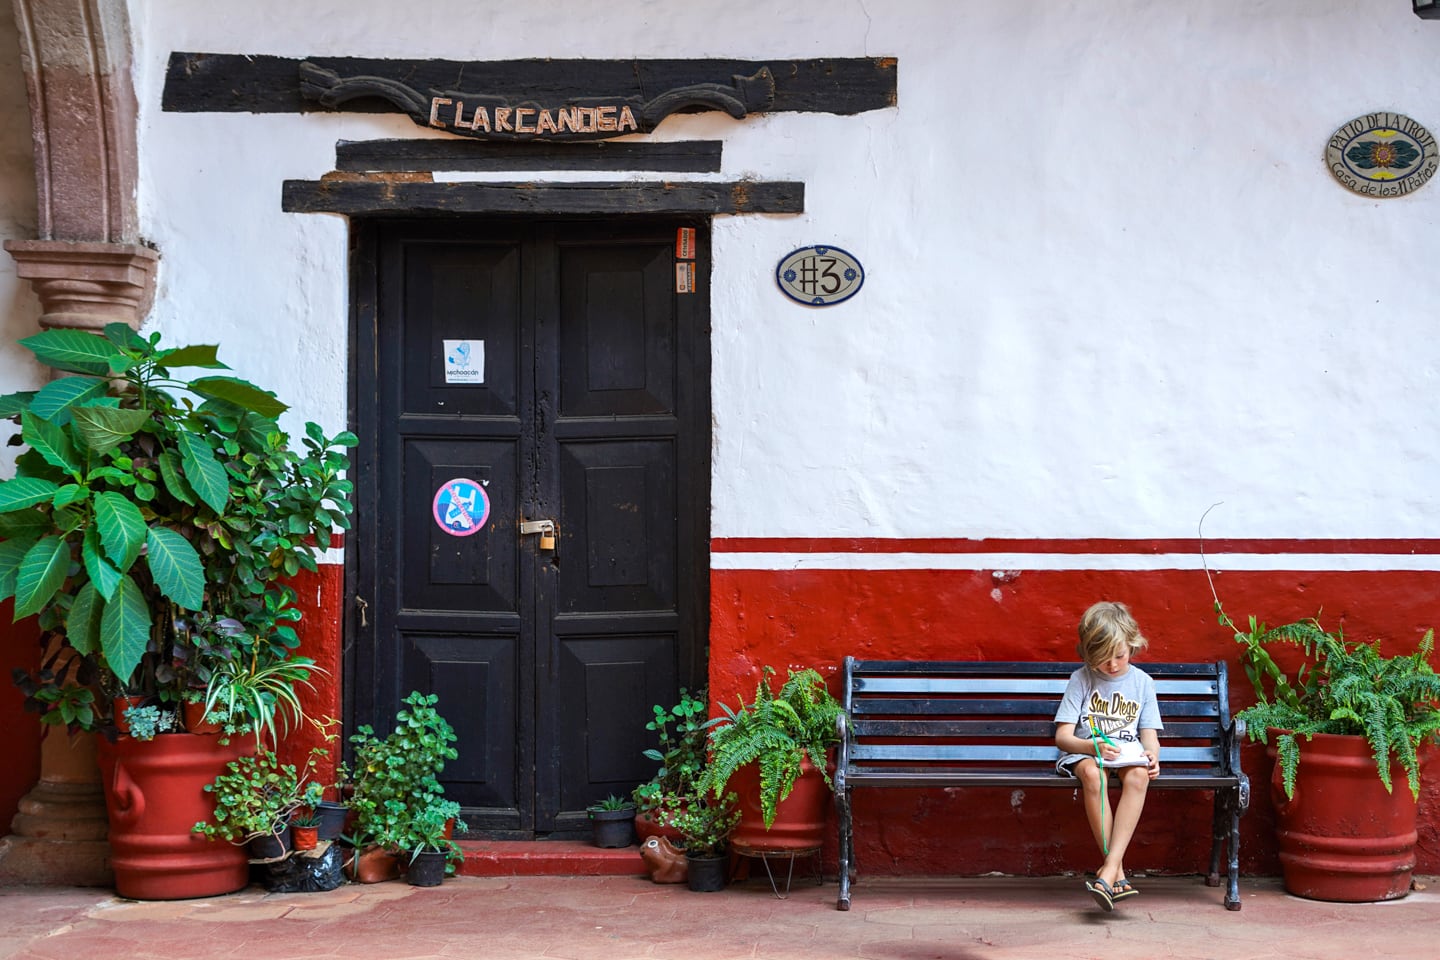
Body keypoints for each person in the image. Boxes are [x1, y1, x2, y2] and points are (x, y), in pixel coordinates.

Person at [1053, 601, 1161, 911]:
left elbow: (1149, 738)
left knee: (1139, 775)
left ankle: (1109, 869)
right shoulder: (1082, 679)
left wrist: (1152, 757)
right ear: (1087, 654)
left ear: (1133, 645)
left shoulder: (1142, 683)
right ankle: (1118, 871)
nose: (1112, 665)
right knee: (1092, 775)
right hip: (1087, 753)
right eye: (1102, 659)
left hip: (1127, 754)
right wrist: (1091, 748)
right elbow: (1063, 737)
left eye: (1119, 655)